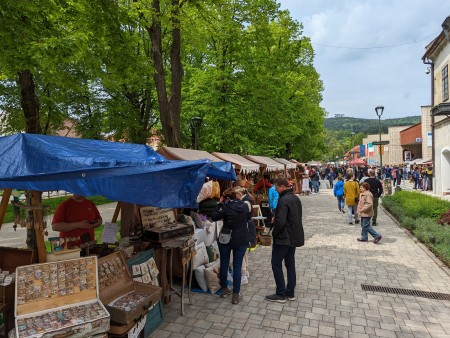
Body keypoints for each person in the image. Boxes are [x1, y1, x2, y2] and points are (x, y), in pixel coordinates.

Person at [266, 178, 304, 303]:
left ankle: (280, 293)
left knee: (276, 264)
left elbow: (281, 221)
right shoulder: (295, 198)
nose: (276, 189)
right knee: (290, 264)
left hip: (284, 238)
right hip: (293, 236)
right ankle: (290, 292)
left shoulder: (283, 200)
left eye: (277, 187)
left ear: (282, 186)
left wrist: (275, 233)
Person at [212, 187, 252, 304]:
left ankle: (224, 289)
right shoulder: (245, 206)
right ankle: (236, 294)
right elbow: (248, 219)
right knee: (237, 266)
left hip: (226, 238)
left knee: (224, 263)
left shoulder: (225, 206)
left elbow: (214, 216)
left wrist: (219, 204)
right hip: (241, 238)